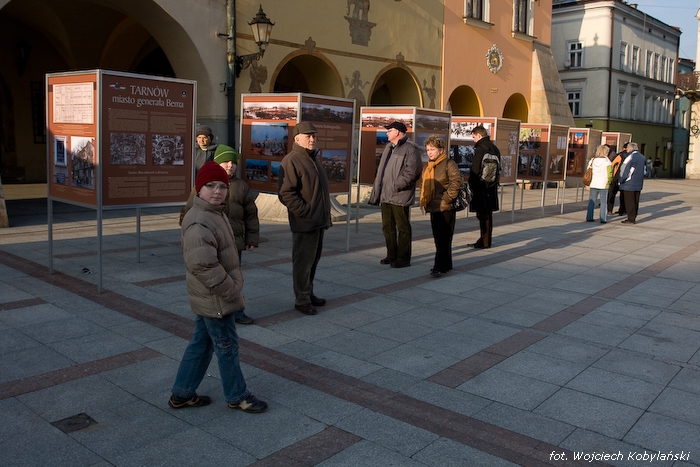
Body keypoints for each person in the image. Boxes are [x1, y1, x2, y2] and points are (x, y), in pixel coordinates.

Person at [169, 161, 267, 413]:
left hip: (212, 296)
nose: (217, 191)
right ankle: (238, 396)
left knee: (202, 343)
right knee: (227, 347)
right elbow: (203, 265)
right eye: (210, 186)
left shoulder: (214, 212)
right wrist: (231, 291)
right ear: (198, 189)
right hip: (216, 297)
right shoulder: (199, 221)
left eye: (222, 186)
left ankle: (182, 393)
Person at [181, 144, 260, 325]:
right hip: (209, 240)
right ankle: (214, 310)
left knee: (233, 275)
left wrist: (252, 238)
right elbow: (189, 211)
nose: (230, 165)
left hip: (233, 241)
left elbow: (251, 214)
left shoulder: (241, 186)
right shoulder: (203, 185)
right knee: (213, 276)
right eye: (226, 161)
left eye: (233, 162)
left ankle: (237, 311)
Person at [278, 122, 331, 316]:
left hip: (318, 221)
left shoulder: (313, 158)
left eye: (314, 135)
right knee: (303, 263)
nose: (312, 139)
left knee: (313, 261)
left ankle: (308, 293)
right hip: (305, 222)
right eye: (308, 136)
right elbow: (286, 193)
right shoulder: (292, 160)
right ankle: (301, 300)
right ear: (297, 139)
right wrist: (305, 212)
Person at [368, 121, 423, 268]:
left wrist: (396, 185)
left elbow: (413, 172)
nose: (387, 133)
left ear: (397, 132)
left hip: (399, 195)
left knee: (403, 228)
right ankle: (391, 254)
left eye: (389, 130)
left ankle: (403, 258)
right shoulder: (389, 147)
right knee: (387, 227)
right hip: (385, 194)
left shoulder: (410, 149)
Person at [419, 135, 462, 277]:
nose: (429, 153)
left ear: (441, 150)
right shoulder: (429, 166)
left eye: (432, 149)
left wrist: (447, 199)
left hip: (445, 207)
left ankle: (439, 266)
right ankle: (446, 264)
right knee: (438, 237)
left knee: (443, 237)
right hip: (433, 206)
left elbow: (456, 182)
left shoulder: (449, 163)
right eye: (427, 150)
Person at [467, 125, 500, 249]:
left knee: (482, 215)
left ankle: (484, 241)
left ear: (479, 135)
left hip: (480, 186)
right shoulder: (494, 148)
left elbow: (475, 169)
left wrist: (471, 183)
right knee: (488, 214)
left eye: (474, 137)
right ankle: (486, 239)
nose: (474, 140)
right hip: (491, 186)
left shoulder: (481, 148)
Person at [618, 142, 646, 225]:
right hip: (638, 182)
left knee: (629, 202)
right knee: (635, 201)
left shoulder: (629, 157)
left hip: (629, 183)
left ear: (630, 148)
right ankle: (633, 217)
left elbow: (624, 170)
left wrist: (620, 180)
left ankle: (630, 218)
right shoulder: (642, 157)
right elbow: (645, 171)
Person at [585, 145, 613, 224]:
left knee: (592, 200)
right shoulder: (607, 162)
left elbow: (588, 170)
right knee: (603, 201)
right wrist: (610, 181)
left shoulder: (592, 160)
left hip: (593, 182)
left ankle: (589, 217)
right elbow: (610, 174)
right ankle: (603, 218)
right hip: (603, 183)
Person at [607, 142, 627, 216]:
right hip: (625, 178)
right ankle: (622, 210)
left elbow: (613, 164)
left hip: (616, 177)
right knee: (623, 195)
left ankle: (609, 210)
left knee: (611, 194)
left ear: (624, 148)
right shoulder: (631, 156)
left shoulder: (620, 155)